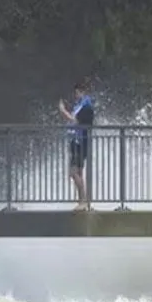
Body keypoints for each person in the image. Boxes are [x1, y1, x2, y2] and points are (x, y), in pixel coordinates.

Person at [58, 80, 95, 211]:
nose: (75, 95)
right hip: (76, 142)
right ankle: (82, 201)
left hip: (81, 142)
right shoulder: (79, 105)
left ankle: (84, 200)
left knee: (73, 173)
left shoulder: (86, 106)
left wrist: (62, 110)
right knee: (79, 172)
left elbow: (75, 121)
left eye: (77, 93)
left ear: (82, 92)